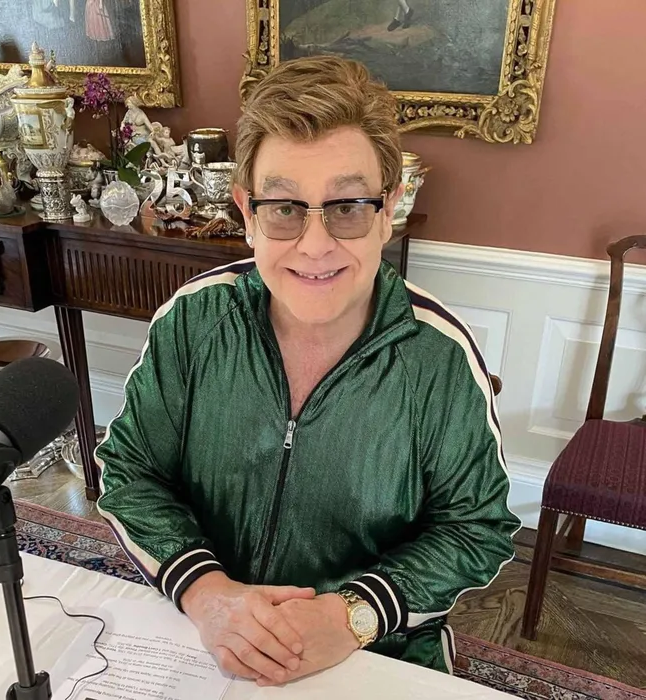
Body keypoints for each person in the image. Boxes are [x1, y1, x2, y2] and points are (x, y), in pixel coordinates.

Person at [95, 55, 520, 686]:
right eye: (284, 208)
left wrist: (353, 615)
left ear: (388, 209)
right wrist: (208, 594)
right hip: (208, 648)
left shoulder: (439, 359)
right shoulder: (193, 322)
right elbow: (132, 474)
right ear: (247, 212)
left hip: (378, 659)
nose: (315, 245)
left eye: (346, 206)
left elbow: (475, 528)